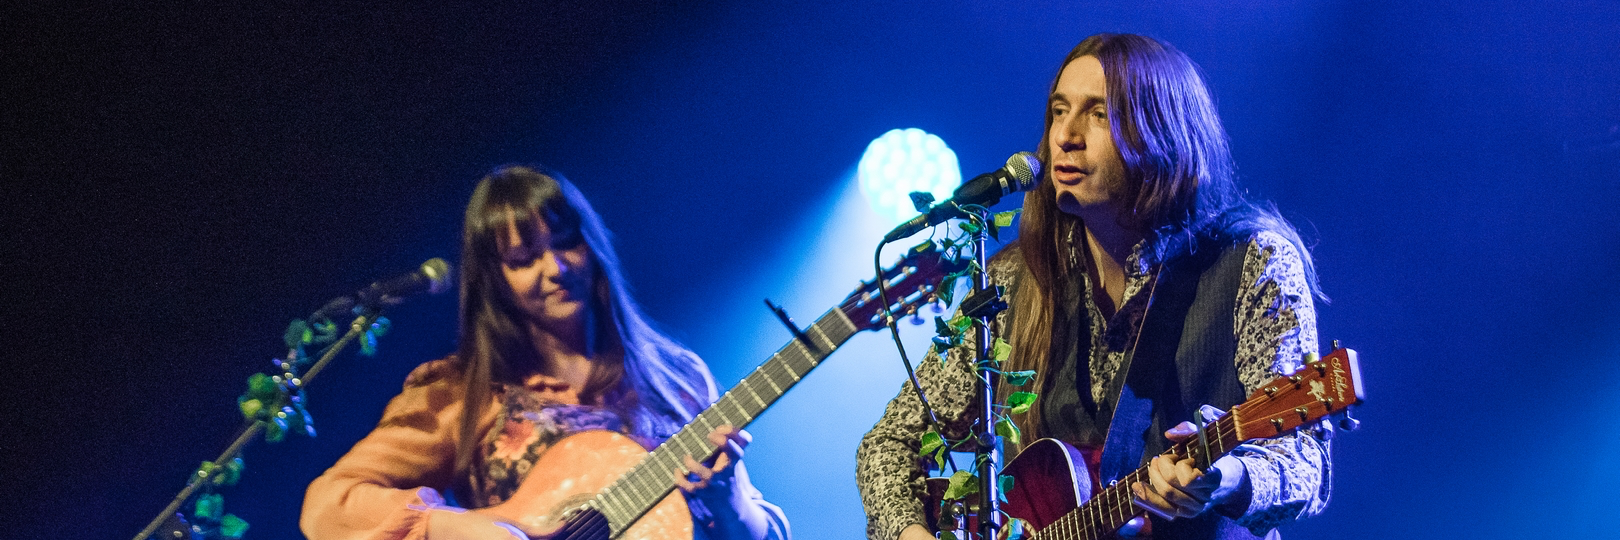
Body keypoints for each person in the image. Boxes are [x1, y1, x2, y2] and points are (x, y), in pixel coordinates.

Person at [856, 33, 1331, 540]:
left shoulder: (1251, 264)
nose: (1066, 135)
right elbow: (888, 444)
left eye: (1099, 115)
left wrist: (1225, 478)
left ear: (1161, 135)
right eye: (1060, 111)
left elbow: (1304, 462)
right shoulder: (1014, 282)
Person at [302, 166, 789, 540]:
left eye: (565, 242)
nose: (554, 268)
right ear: (496, 283)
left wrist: (731, 501)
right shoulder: (460, 394)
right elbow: (329, 504)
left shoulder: (675, 378)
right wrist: (454, 527)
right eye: (523, 259)